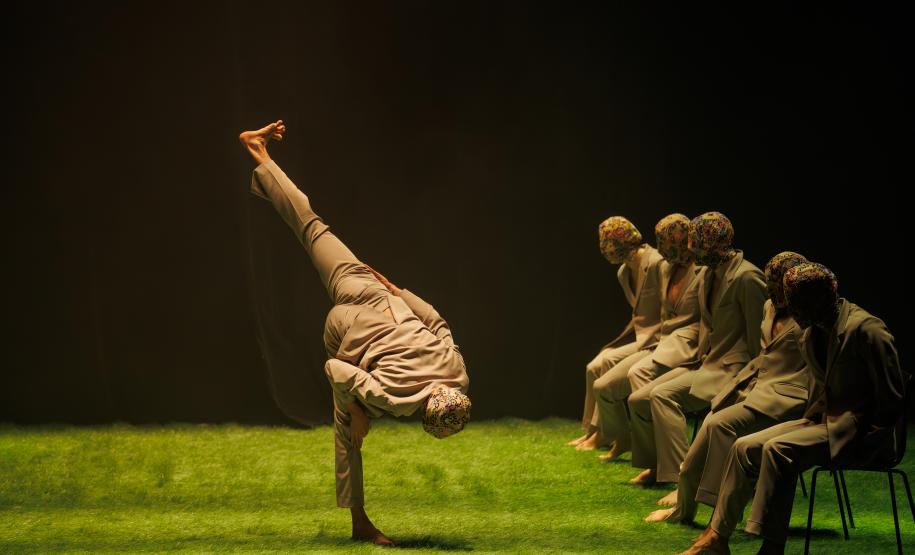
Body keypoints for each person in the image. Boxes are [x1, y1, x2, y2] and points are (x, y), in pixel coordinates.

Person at [240, 120, 471, 546]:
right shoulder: (397, 401)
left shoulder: (457, 372)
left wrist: (394, 288)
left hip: (369, 294)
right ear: (422, 416)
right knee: (347, 428)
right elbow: (334, 367)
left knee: (312, 227)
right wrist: (361, 410)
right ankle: (359, 523)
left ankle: (260, 154)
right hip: (344, 333)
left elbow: (437, 321)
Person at [679, 262, 905, 555]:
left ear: (820, 299)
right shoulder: (810, 331)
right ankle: (717, 537)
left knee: (778, 448)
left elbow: (892, 395)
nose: (792, 312)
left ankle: (772, 547)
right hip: (821, 421)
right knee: (743, 447)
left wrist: (871, 442)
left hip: (856, 431)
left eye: (798, 304)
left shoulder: (865, 330)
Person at [645, 251, 811, 521]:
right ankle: (683, 509)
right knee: (705, 432)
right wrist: (740, 384)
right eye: (770, 283)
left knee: (719, 424)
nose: (771, 289)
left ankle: (717, 511)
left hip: (786, 397)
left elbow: (815, 369)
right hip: (754, 384)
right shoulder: (770, 307)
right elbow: (761, 352)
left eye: (777, 284)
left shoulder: (807, 319)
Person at [592, 214, 704, 461]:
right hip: (659, 342)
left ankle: (653, 459)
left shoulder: (699, 271)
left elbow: (704, 320)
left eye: (666, 241)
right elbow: (653, 314)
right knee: (602, 378)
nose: (660, 248)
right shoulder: (664, 268)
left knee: (634, 376)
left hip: (681, 347)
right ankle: (623, 439)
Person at [569, 216, 663, 452]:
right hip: (639, 336)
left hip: (659, 338)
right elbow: (638, 313)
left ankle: (615, 435)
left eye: (609, 242)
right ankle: (595, 431)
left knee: (608, 362)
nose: (605, 248)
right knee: (594, 366)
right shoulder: (623, 273)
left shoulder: (656, 263)